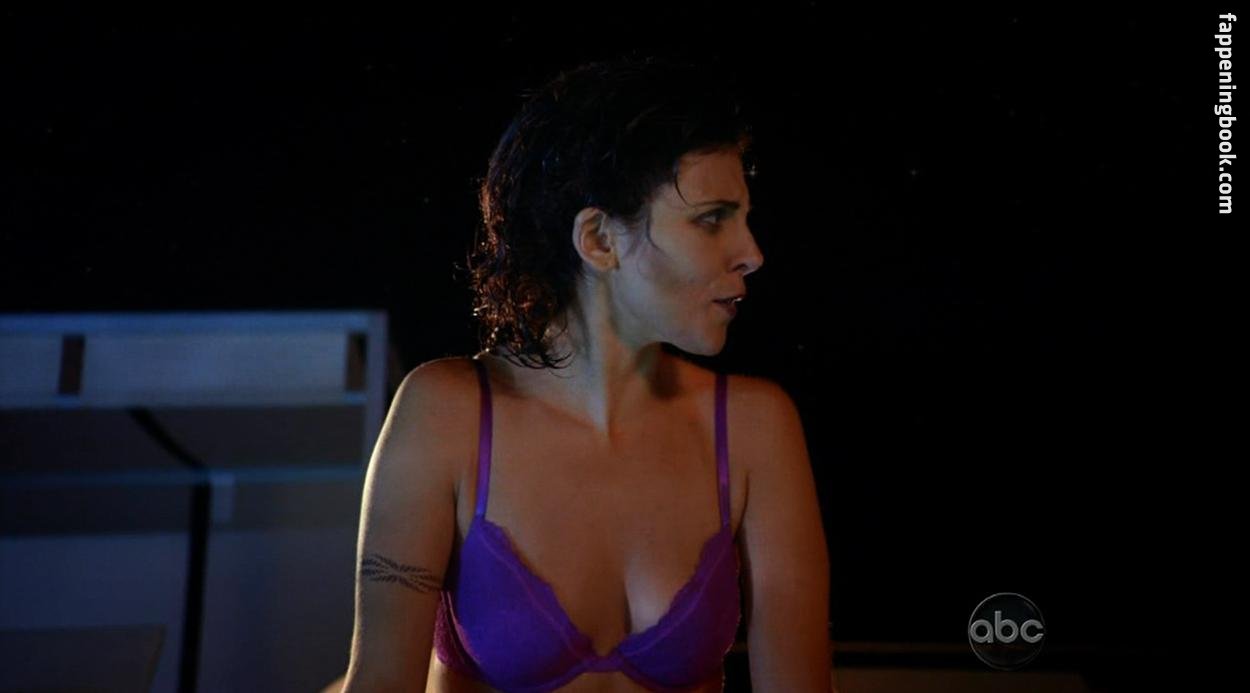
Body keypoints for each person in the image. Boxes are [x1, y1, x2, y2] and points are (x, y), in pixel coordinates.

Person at [342, 54, 832, 692]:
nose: (752, 253)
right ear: (598, 239)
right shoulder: (446, 413)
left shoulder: (754, 428)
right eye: (712, 219)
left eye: (743, 218)